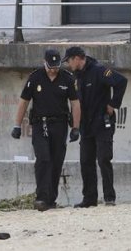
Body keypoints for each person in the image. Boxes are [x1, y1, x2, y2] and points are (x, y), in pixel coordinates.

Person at [11, 49, 81, 211]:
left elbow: (75, 103)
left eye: (56, 67)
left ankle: (51, 199)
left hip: (60, 125)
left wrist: (76, 127)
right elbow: (24, 101)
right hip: (40, 125)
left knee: (56, 161)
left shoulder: (68, 79)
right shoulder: (35, 77)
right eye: (50, 67)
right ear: (44, 63)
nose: (53, 70)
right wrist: (17, 125)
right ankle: (41, 197)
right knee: (43, 159)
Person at [62, 46, 128, 208]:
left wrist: (113, 104)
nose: (69, 65)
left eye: (69, 61)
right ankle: (89, 198)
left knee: (104, 159)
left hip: (102, 123)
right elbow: (75, 101)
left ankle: (109, 198)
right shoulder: (76, 76)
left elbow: (121, 81)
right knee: (86, 161)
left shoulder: (99, 70)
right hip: (86, 125)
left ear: (77, 58)